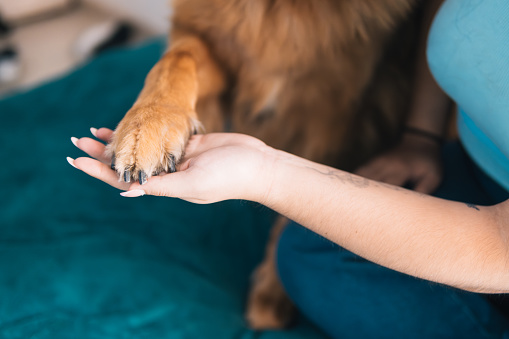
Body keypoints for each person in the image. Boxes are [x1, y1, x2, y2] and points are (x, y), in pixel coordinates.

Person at [67, 0, 509, 337]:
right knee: (308, 256)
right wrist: (421, 136)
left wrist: (272, 178)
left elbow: (499, 246)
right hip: (474, 153)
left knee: (310, 266)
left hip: (499, 239)